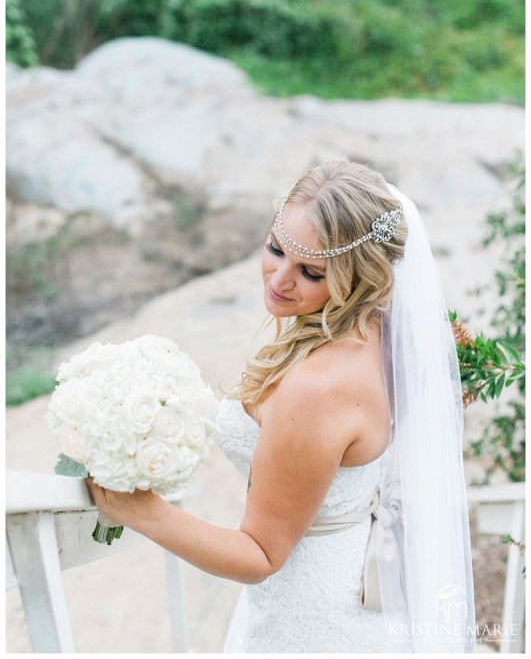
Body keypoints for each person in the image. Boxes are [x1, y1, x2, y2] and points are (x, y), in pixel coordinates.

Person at [86, 159, 476, 653]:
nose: (280, 278)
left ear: (362, 278)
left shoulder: (318, 388)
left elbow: (261, 554)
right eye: (276, 248)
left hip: (312, 622)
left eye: (311, 271)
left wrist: (140, 510)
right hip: (349, 585)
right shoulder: (384, 334)